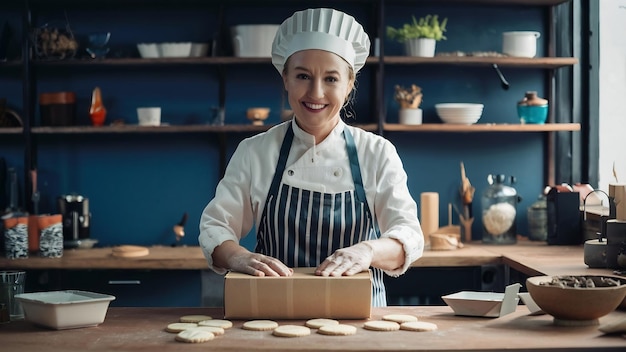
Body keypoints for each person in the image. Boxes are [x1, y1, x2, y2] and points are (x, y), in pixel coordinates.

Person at [199, 8, 424, 306]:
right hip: (274, 314)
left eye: (331, 79)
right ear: (286, 80)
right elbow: (215, 227)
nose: (315, 92)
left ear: (348, 85)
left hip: (361, 320)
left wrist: (366, 251)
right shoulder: (255, 152)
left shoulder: (376, 152)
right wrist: (239, 257)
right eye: (303, 76)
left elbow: (408, 233)